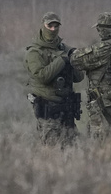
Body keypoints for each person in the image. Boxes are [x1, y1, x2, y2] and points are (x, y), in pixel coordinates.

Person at [24, 11, 83, 145]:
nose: (53, 29)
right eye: (50, 26)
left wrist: (75, 60)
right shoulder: (35, 52)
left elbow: (79, 78)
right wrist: (62, 60)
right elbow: (42, 77)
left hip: (67, 108)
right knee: (51, 147)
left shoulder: (65, 49)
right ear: (43, 26)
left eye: (56, 26)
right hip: (48, 107)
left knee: (73, 146)